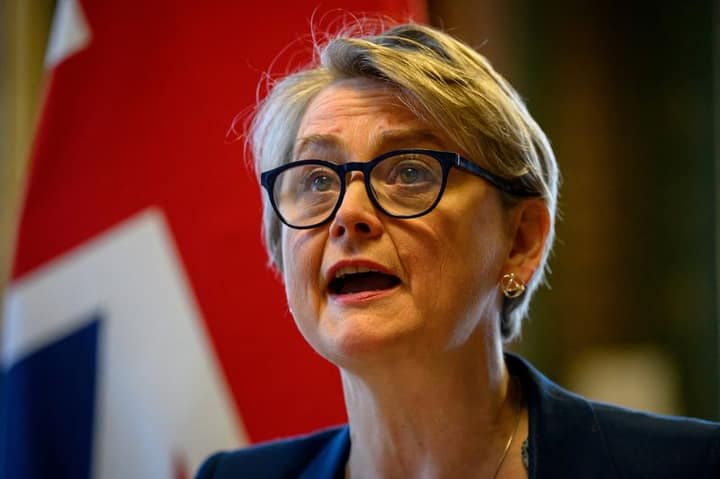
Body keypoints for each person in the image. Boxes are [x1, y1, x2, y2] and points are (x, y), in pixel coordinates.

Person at [196, 22, 719, 479]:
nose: (348, 213)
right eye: (316, 180)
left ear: (520, 241)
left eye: (409, 172)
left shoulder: (689, 467)